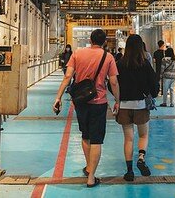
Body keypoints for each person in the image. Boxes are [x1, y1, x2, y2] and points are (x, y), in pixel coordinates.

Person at [53, 29, 120, 188]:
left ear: (90, 40)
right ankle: (91, 177)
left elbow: (68, 76)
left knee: (86, 136)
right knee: (97, 140)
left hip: (81, 101)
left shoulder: (78, 53)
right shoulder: (108, 57)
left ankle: (89, 166)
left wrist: (58, 97)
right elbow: (113, 82)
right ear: (104, 42)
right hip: (99, 102)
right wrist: (117, 100)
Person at [115, 34, 159, 182]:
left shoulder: (120, 64)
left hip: (124, 106)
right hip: (140, 105)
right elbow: (154, 83)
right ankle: (141, 158)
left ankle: (129, 171)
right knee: (143, 135)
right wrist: (152, 94)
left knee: (128, 139)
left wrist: (118, 97)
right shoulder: (145, 64)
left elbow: (112, 83)